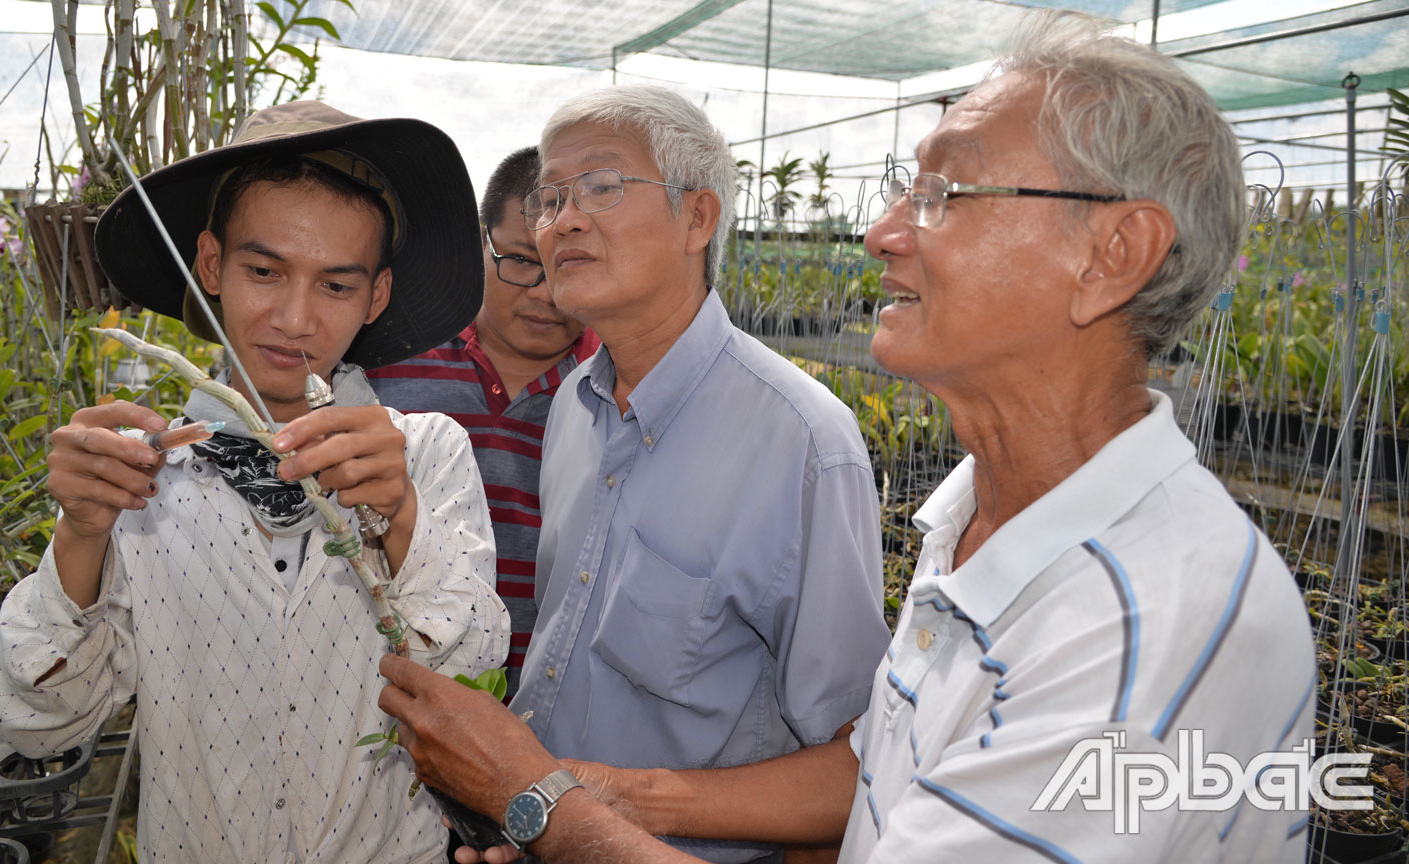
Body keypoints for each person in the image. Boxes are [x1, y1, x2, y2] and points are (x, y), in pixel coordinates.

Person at [376, 12, 1316, 864]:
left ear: (1112, 256)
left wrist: (535, 795)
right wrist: (594, 794)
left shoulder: (1142, 624)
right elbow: (871, 775)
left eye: (945, 193)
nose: (881, 233)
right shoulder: (973, 532)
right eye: (551, 198)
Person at [0, 101, 510, 864]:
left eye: (336, 286)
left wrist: (399, 519)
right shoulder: (144, 477)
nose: (294, 318)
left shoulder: (426, 456)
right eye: (264, 271)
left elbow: (469, 682)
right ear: (210, 265)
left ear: (377, 295)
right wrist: (81, 532)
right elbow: (42, 725)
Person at [427, 84, 889, 864]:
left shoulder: (803, 443)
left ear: (697, 218)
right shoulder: (577, 403)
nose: (562, 220)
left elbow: (856, 766)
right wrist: (536, 811)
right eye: (550, 198)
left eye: (602, 187)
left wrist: (607, 801)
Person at [368, 145, 599, 700]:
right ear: (480, 242)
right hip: (390, 688)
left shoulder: (607, 389)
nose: (546, 294)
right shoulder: (386, 360)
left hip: (544, 706)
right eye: (520, 261)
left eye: (567, 267)